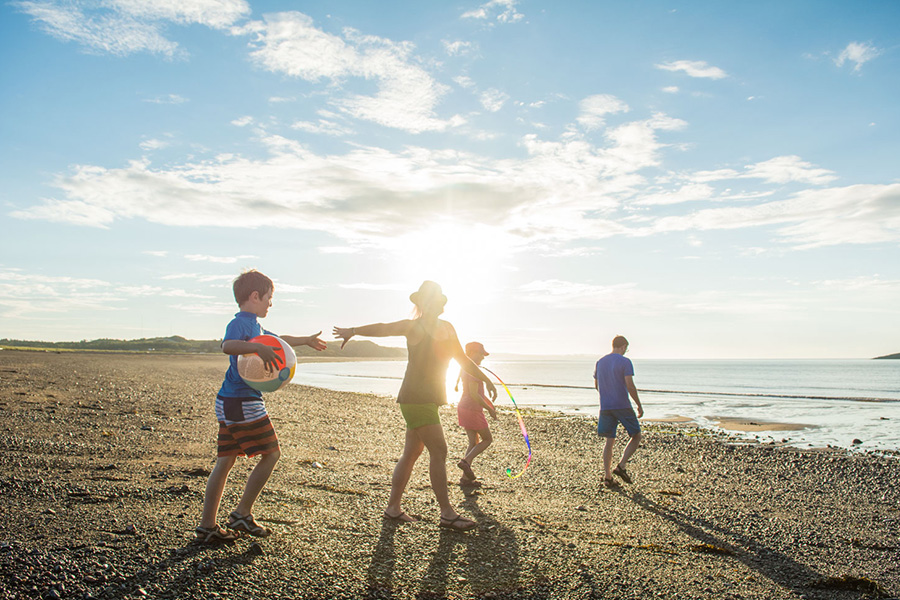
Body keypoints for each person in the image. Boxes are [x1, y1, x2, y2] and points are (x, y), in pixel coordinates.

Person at [333, 281, 497, 532]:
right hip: (415, 398)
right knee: (439, 451)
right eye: (434, 299)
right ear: (423, 303)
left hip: (424, 398)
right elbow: (383, 328)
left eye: (440, 299)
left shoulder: (448, 328)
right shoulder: (414, 327)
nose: (439, 303)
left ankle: (393, 508)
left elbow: (463, 360)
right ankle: (446, 513)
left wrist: (486, 379)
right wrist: (353, 330)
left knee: (412, 452)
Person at [195, 269, 326, 543]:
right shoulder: (241, 323)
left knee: (226, 460)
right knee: (272, 454)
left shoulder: (254, 325)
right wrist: (255, 349)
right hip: (242, 401)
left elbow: (278, 341)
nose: (270, 303)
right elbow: (227, 346)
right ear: (255, 296)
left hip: (230, 400)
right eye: (269, 298)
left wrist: (306, 341)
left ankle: (208, 525)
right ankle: (242, 513)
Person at [593, 335, 643, 488]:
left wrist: (607, 394)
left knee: (610, 440)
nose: (626, 351)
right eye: (626, 349)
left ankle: (608, 477)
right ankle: (621, 466)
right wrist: (639, 404)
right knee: (636, 435)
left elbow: (597, 385)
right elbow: (630, 385)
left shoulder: (600, 362)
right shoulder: (625, 362)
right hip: (622, 405)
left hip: (606, 406)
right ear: (623, 347)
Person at [455, 341, 498, 486]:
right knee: (487, 439)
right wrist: (489, 409)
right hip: (472, 409)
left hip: (464, 407)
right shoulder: (472, 371)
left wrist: (489, 404)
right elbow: (474, 395)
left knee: (473, 442)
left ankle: (465, 478)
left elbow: (475, 393)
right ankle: (465, 462)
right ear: (473, 353)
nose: (483, 357)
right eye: (481, 354)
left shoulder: (465, 368)